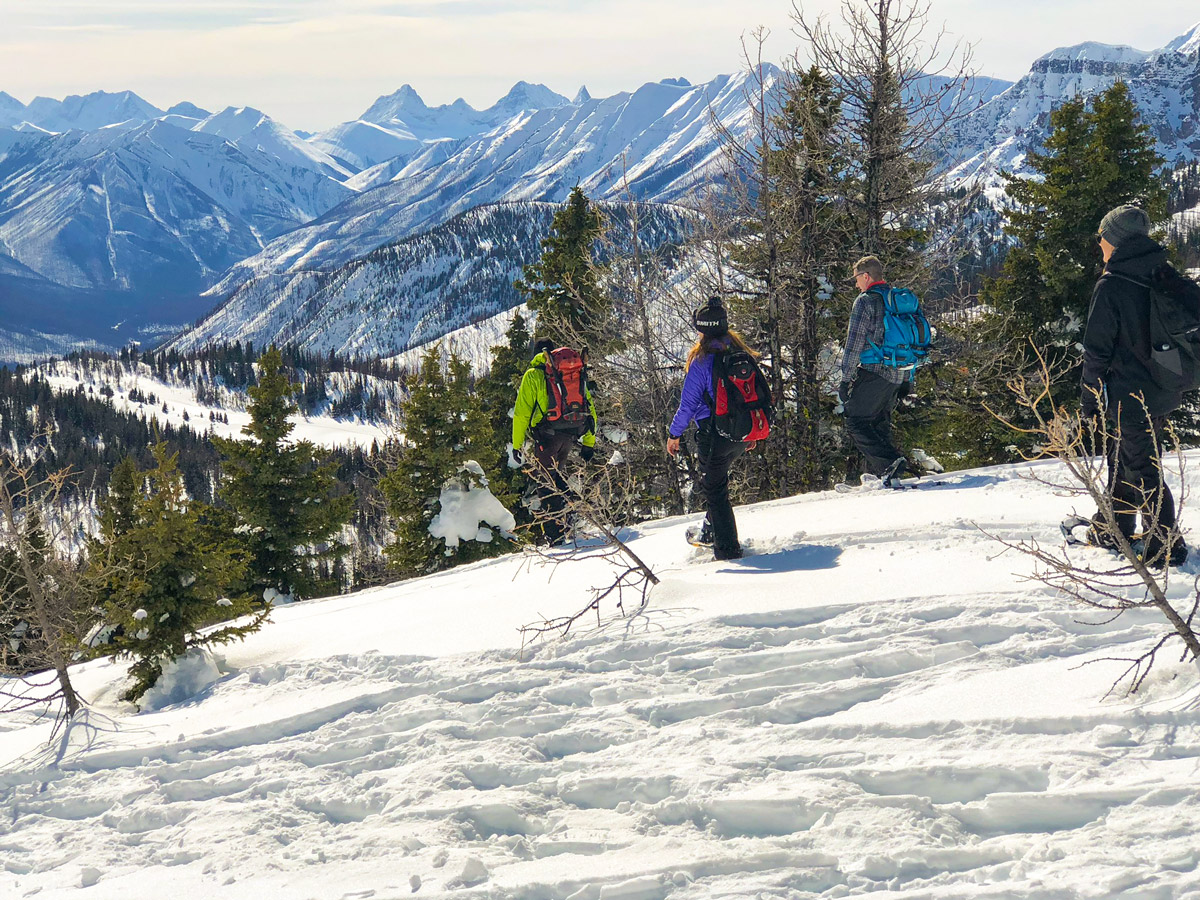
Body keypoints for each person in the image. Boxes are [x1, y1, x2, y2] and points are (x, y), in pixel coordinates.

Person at [1081, 204, 1188, 567]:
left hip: (1130, 394)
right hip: (1162, 389)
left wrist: (1090, 402)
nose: (1100, 244)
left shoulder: (1112, 285)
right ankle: (1115, 528)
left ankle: (1166, 544)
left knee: (1141, 467)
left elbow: (1096, 351)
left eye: (1103, 238)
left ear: (1115, 241)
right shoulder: (1161, 273)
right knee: (1123, 459)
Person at [666, 297, 757, 561]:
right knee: (715, 482)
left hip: (715, 434)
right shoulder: (740, 352)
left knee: (715, 491)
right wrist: (749, 431)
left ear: (702, 330)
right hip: (740, 432)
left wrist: (674, 435)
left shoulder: (703, 360)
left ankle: (728, 550)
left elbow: (687, 405)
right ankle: (709, 533)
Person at [510, 338, 598, 544]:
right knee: (558, 477)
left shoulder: (534, 375)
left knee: (546, 483)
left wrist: (516, 445)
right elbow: (589, 407)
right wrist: (588, 442)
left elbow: (521, 414)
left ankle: (555, 537)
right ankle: (569, 519)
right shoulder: (572, 373)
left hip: (546, 438)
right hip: (570, 434)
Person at [838, 255, 914, 484]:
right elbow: (910, 342)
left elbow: (854, 343)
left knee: (855, 421)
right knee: (879, 422)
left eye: (857, 279)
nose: (856, 284)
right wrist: (909, 379)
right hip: (899, 373)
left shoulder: (865, 301)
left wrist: (846, 379)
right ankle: (890, 475)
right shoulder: (896, 300)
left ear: (866, 276)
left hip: (875, 371)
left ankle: (891, 463)